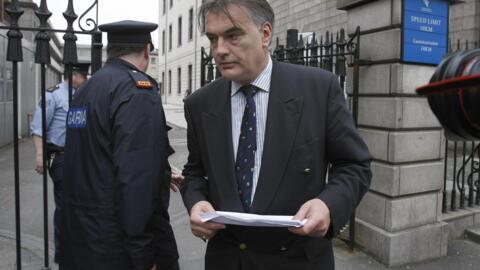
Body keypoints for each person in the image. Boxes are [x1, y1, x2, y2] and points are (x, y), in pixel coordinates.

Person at [180, 1, 372, 269]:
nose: (219, 50)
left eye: (233, 35)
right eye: (213, 38)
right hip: (227, 260)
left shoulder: (318, 89)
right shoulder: (200, 104)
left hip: (297, 259)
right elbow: (195, 172)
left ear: (265, 34)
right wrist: (196, 201)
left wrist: (328, 205)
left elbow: (354, 165)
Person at [61, 20, 179, 270]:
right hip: (118, 246)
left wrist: (160, 169)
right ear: (147, 51)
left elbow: (92, 156)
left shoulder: (87, 89)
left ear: (109, 50)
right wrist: (143, 253)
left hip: (82, 237)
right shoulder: (136, 90)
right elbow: (136, 179)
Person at [30, 61, 89, 263]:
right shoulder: (53, 95)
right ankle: (63, 255)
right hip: (61, 157)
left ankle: (79, 250)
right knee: (65, 205)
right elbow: (38, 128)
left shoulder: (84, 93)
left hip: (82, 157)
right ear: (73, 75)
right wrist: (40, 155)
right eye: (82, 76)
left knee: (82, 204)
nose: (84, 79)